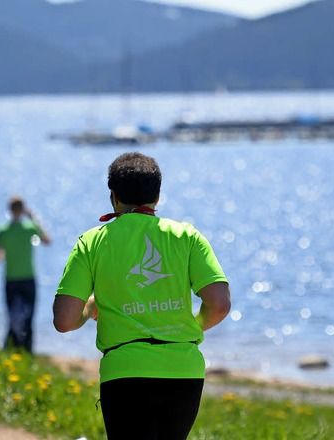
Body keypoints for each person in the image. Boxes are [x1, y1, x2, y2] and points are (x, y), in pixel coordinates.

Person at [53, 152, 231, 440]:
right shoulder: (186, 237)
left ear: (113, 197)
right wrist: (190, 327)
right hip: (183, 371)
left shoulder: (92, 242)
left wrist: (89, 308)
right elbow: (219, 304)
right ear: (157, 197)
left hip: (124, 373)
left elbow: (64, 320)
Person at [0, 196, 50, 353]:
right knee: (29, 318)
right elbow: (46, 240)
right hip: (28, 278)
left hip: (10, 279)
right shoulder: (30, 227)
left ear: (9, 210)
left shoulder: (2, 231)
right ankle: (27, 351)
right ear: (23, 209)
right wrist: (33, 218)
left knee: (11, 317)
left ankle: (10, 349)